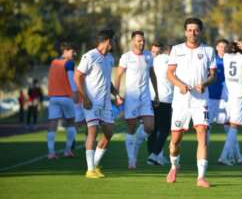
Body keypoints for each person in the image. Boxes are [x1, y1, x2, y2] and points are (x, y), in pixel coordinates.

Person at [166, 17, 216, 188]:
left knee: (202, 135)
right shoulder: (176, 49)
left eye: (195, 30)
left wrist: (205, 83)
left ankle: (201, 177)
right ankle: (174, 166)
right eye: (189, 30)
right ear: (185, 32)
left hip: (201, 101)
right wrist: (180, 85)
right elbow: (170, 73)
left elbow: (213, 75)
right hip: (181, 101)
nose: (192, 33)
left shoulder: (209, 51)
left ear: (200, 31)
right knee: (175, 141)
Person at [74, 29, 123, 178]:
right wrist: (85, 97)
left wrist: (116, 95)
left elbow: (108, 82)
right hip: (92, 102)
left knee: (109, 133)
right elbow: (78, 76)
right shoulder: (90, 56)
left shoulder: (110, 58)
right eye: (114, 40)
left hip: (106, 103)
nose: (115, 43)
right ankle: (90, 170)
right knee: (93, 133)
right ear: (108, 41)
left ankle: (95, 165)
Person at [114, 30, 159, 169]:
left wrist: (156, 94)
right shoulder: (126, 57)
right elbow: (118, 75)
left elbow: (152, 75)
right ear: (133, 41)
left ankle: (136, 146)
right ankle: (131, 159)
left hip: (145, 97)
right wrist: (116, 94)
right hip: (131, 98)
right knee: (131, 128)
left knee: (150, 126)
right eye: (139, 40)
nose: (142, 43)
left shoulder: (148, 56)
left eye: (143, 40)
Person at [46, 42, 79, 159]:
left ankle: (51, 153)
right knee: (71, 122)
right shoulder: (69, 63)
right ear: (65, 51)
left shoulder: (53, 62)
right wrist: (75, 92)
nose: (74, 53)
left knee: (52, 123)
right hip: (66, 97)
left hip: (53, 97)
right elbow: (71, 79)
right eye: (72, 51)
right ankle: (67, 151)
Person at [147, 45, 173, 166]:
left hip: (152, 97)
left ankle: (152, 156)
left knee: (154, 128)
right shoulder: (172, 60)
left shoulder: (155, 59)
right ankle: (154, 155)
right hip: (165, 98)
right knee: (165, 129)